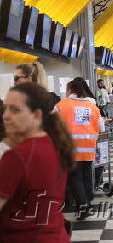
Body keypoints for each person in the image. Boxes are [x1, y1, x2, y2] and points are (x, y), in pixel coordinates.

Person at [0, 82, 74, 242]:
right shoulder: (56, 143)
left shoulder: (17, 156)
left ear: (36, 115)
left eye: (15, 110)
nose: (6, 115)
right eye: (6, 108)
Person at [56, 80, 102, 220]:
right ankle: (87, 204)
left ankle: (83, 207)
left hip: (70, 147)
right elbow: (101, 127)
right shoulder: (92, 106)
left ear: (70, 89)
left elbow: (51, 123)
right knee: (87, 176)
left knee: (75, 178)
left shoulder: (61, 105)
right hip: (88, 147)